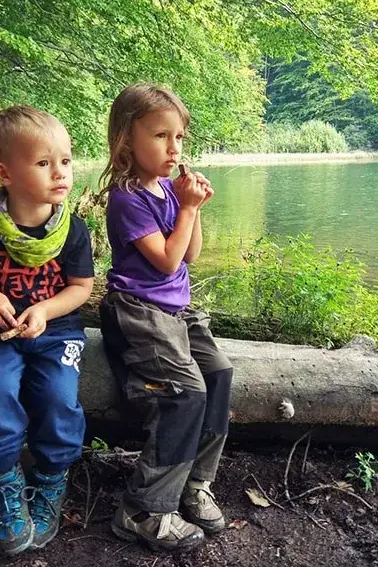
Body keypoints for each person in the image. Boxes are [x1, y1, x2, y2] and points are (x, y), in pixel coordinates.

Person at [0, 106, 94, 555]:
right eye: (44, 163)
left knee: (57, 398)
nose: (60, 173)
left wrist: (46, 310)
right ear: (4, 172)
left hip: (57, 331)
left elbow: (82, 288)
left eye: (65, 161)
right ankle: (3, 483)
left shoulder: (73, 230)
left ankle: (50, 478)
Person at [98, 83, 233, 553]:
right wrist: (188, 208)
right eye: (160, 136)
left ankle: (195, 485)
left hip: (177, 310)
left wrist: (192, 210)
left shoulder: (169, 191)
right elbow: (165, 263)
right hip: (137, 310)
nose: (174, 148)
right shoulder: (127, 198)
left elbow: (189, 254)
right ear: (126, 141)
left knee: (218, 374)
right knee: (185, 395)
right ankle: (145, 509)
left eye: (179, 137)